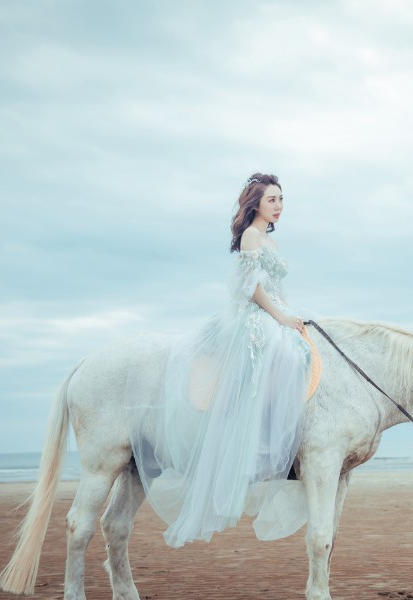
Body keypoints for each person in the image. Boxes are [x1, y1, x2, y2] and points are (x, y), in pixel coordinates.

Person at [130, 173, 312, 548]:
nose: (279, 205)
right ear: (256, 204)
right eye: (272, 199)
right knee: (279, 352)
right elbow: (252, 288)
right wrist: (280, 318)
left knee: (301, 349)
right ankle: (259, 438)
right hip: (252, 317)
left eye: (281, 198)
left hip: (275, 311)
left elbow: (278, 289)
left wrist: (292, 314)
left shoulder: (272, 241)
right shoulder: (251, 237)